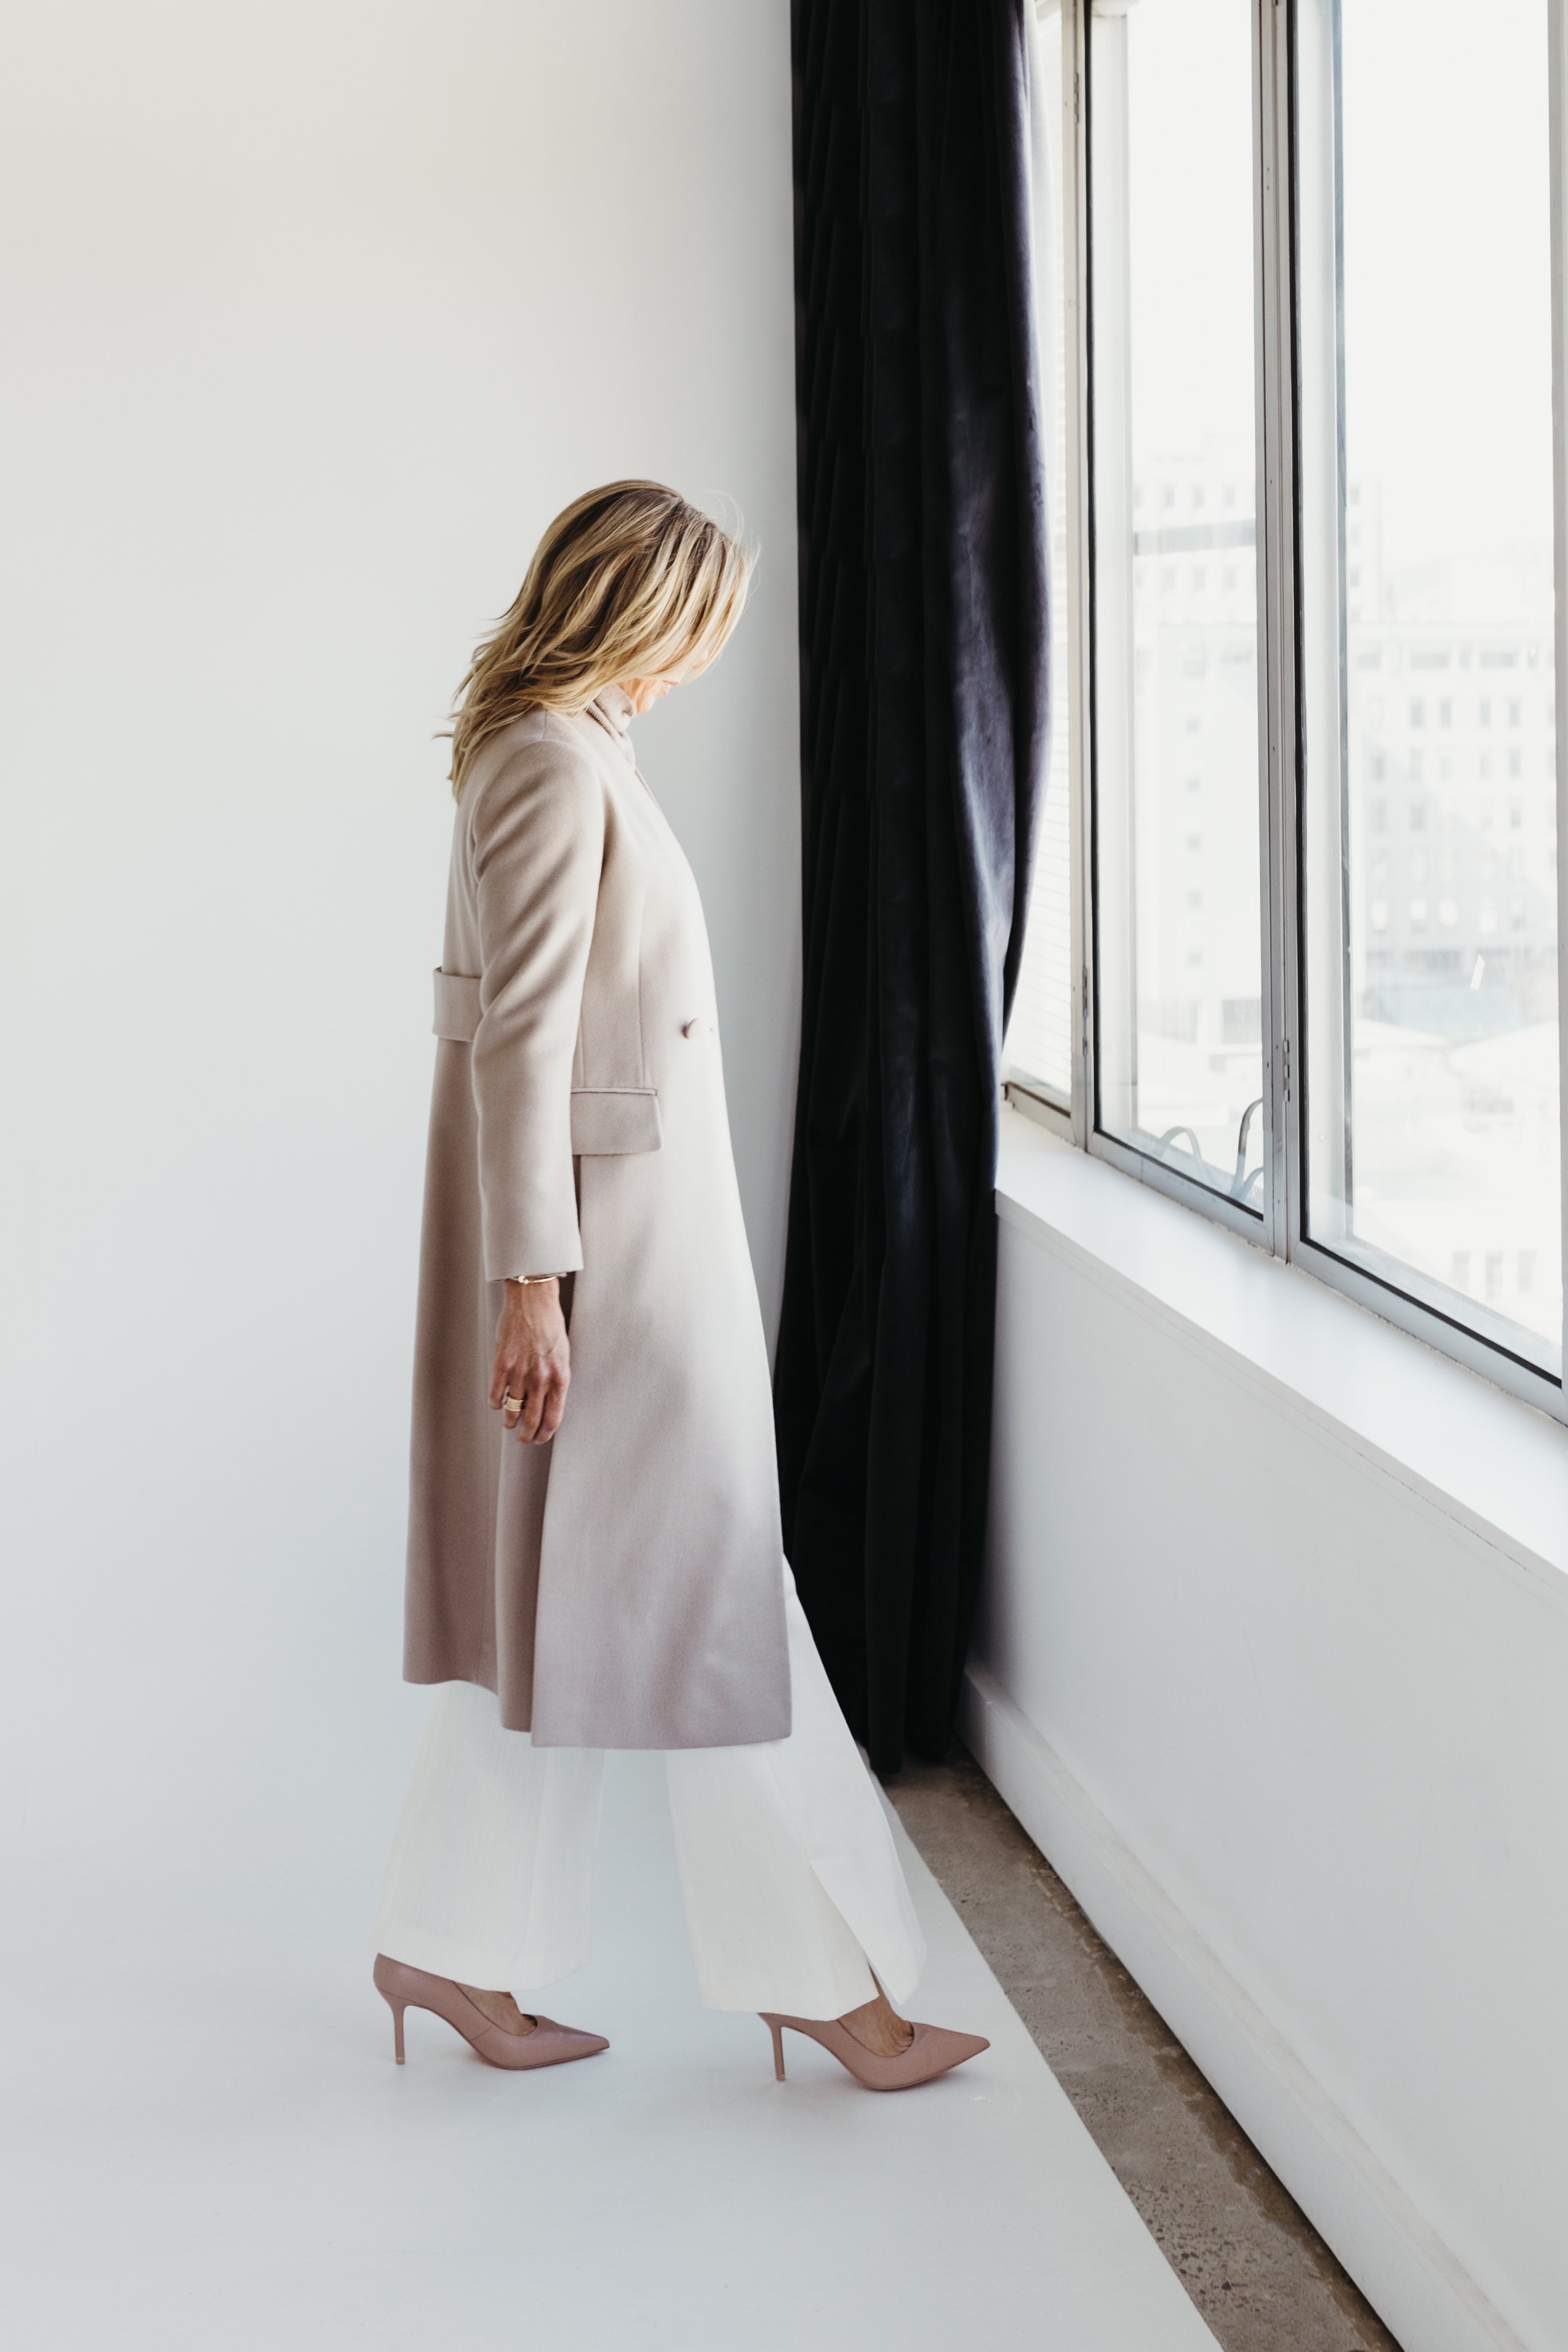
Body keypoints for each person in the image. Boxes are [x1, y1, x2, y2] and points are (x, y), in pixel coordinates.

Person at [371, 481, 987, 2092]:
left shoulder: (569, 748)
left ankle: (450, 1945)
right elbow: (516, 1039)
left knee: (584, 1613)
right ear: (639, 610)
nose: (705, 660)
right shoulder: (543, 763)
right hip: (607, 1263)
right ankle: (833, 1993)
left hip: (626, 1247)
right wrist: (532, 1286)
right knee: (714, 1604)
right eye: (698, 627)